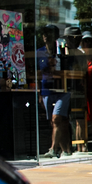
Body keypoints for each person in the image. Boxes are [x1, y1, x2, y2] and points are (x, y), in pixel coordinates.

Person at [37, 24, 73, 159]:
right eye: (44, 33)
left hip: (62, 89)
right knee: (57, 122)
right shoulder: (39, 52)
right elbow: (38, 74)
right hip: (47, 89)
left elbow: (69, 69)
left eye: (49, 33)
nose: (46, 36)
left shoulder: (62, 51)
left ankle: (53, 149)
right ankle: (66, 150)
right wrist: (40, 92)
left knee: (56, 118)